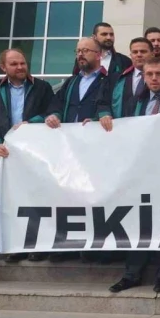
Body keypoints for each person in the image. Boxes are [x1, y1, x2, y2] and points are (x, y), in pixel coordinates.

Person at [106, 57, 160, 294]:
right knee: (138, 221)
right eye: (149, 74)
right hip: (140, 171)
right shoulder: (134, 102)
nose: (154, 78)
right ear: (143, 77)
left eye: (159, 74)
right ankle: (131, 274)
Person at [0, 49, 54, 263]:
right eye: (14, 64)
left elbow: (51, 111)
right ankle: (17, 246)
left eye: (22, 63)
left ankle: (39, 246)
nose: (20, 67)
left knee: (37, 200)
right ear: (3, 67)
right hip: (6, 155)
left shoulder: (42, 87)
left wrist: (31, 123)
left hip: (35, 155)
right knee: (10, 203)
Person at [45, 38, 108, 263]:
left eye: (86, 50)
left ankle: (93, 247)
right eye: (78, 51)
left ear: (99, 54)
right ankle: (68, 245)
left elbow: (109, 105)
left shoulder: (109, 80)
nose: (80, 54)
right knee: (69, 198)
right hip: (70, 151)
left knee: (93, 199)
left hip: (95, 151)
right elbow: (57, 103)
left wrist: (100, 117)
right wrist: (54, 115)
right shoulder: (72, 82)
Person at [96, 37, 154, 121]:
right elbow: (103, 101)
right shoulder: (116, 78)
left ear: (152, 54)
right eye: (135, 52)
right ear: (131, 55)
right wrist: (105, 114)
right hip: (121, 126)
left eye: (143, 51)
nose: (139, 55)